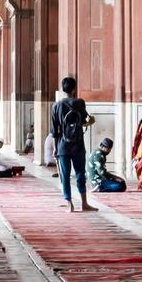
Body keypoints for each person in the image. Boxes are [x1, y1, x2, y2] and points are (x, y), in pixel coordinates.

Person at [51, 75, 96, 212]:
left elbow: (54, 130)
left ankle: (69, 204)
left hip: (63, 145)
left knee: (65, 175)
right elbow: (83, 122)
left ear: (63, 89)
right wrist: (90, 122)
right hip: (78, 145)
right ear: (74, 88)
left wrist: (55, 148)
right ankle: (84, 203)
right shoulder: (80, 103)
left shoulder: (57, 106)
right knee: (80, 174)